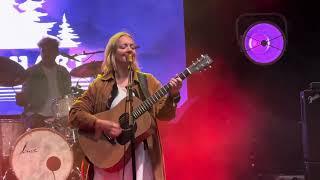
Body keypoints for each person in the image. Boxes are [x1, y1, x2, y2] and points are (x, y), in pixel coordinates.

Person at [68, 31, 182, 180]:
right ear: (112, 53)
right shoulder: (99, 85)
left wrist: (173, 95)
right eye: (124, 47)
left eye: (132, 47)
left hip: (141, 157)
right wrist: (100, 123)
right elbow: (74, 114)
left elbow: (165, 115)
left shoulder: (147, 81)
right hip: (107, 158)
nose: (130, 50)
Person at [16, 36, 71, 128]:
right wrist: (21, 99)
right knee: (35, 123)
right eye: (43, 51)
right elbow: (24, 100)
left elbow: (67, 96)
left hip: (60, 116)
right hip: (37, 115)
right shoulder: (31, 72)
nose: (46, 54)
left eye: (49, 50)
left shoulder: (63, 72)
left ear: (56, 53)